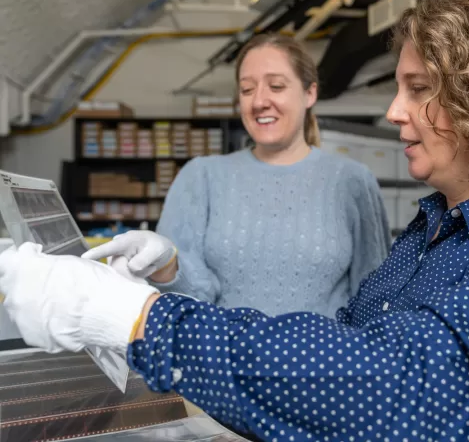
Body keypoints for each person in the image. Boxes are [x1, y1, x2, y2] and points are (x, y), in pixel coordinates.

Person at [0, 0, 469, 442]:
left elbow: (401, 391)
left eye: (418, 90)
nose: (393, 112)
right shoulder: (429, 233)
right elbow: (352, 356)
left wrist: (135, 318)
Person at [82, 33, 390, 318]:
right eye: (247, 89)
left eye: (277, 86)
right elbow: (185, 303)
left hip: (322, 371)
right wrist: (166, 267)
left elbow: (374, 301)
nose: (258, 101)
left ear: (309, 93)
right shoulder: (201, 177)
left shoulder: (353, 181)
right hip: (224, 369)